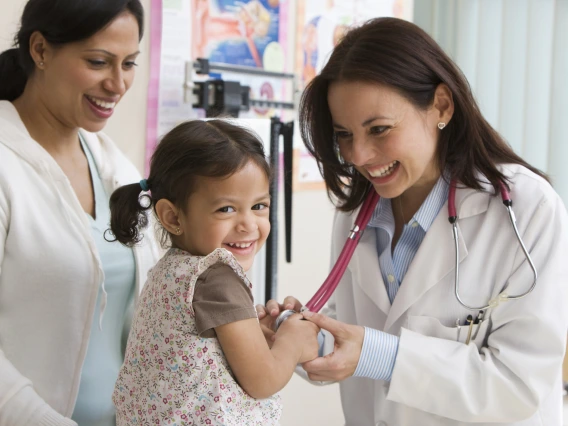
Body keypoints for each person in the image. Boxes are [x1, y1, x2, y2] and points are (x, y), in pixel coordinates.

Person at [258, 17, 568, 425]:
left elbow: (518, 384)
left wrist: (378, 354)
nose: (359, 156)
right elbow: (353, 335)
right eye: (345, 135)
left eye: (379, 129)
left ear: (441, 105)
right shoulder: (358, 213)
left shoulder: (525, 210)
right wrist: (303, 337)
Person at [0, 1, 161, 425]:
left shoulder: (116, 168)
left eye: (129, 63)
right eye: (98, 62)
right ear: (40, 50)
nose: (118, 83)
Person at [109, 119, 319, 426]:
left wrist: (258, 335)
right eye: (226, 209)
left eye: (259, 205)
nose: (248, 224)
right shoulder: (217, 277)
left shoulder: (170, 269)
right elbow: (262, 380)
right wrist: (293, 340)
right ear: (172, 216)